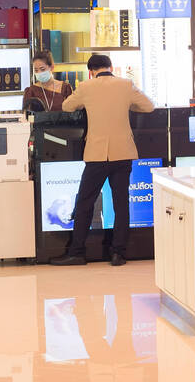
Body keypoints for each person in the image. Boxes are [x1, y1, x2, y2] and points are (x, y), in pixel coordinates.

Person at [50, 54, 155, 267]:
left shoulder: (86, 86)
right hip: (123, 153)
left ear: (91, 71)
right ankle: (118, 253)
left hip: (97, 154)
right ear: (110, 67)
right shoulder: (126, 85)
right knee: (121, 204)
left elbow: (67, 107)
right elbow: (148, 106)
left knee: (85, 203)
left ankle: (77, 252)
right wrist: (128, 105)